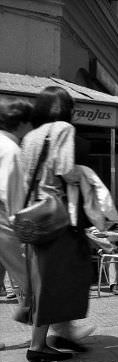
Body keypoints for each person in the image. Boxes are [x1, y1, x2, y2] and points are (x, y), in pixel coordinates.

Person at [16, 87, 96, 362]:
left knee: (45, 279)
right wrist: (84, 177)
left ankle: (58, 334)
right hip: (58, 216)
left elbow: (26, 178)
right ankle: (38, 346)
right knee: (59, 279)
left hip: (35, 216)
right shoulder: (63, 129)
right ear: (65, 109)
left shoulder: (30, 137)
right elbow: (65, 170)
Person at [0, 97, 33, 313]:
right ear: (21, 123)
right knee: (29, 277)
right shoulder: (12, 150)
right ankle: (62, 330)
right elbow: (9, 195)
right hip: (3, 221)